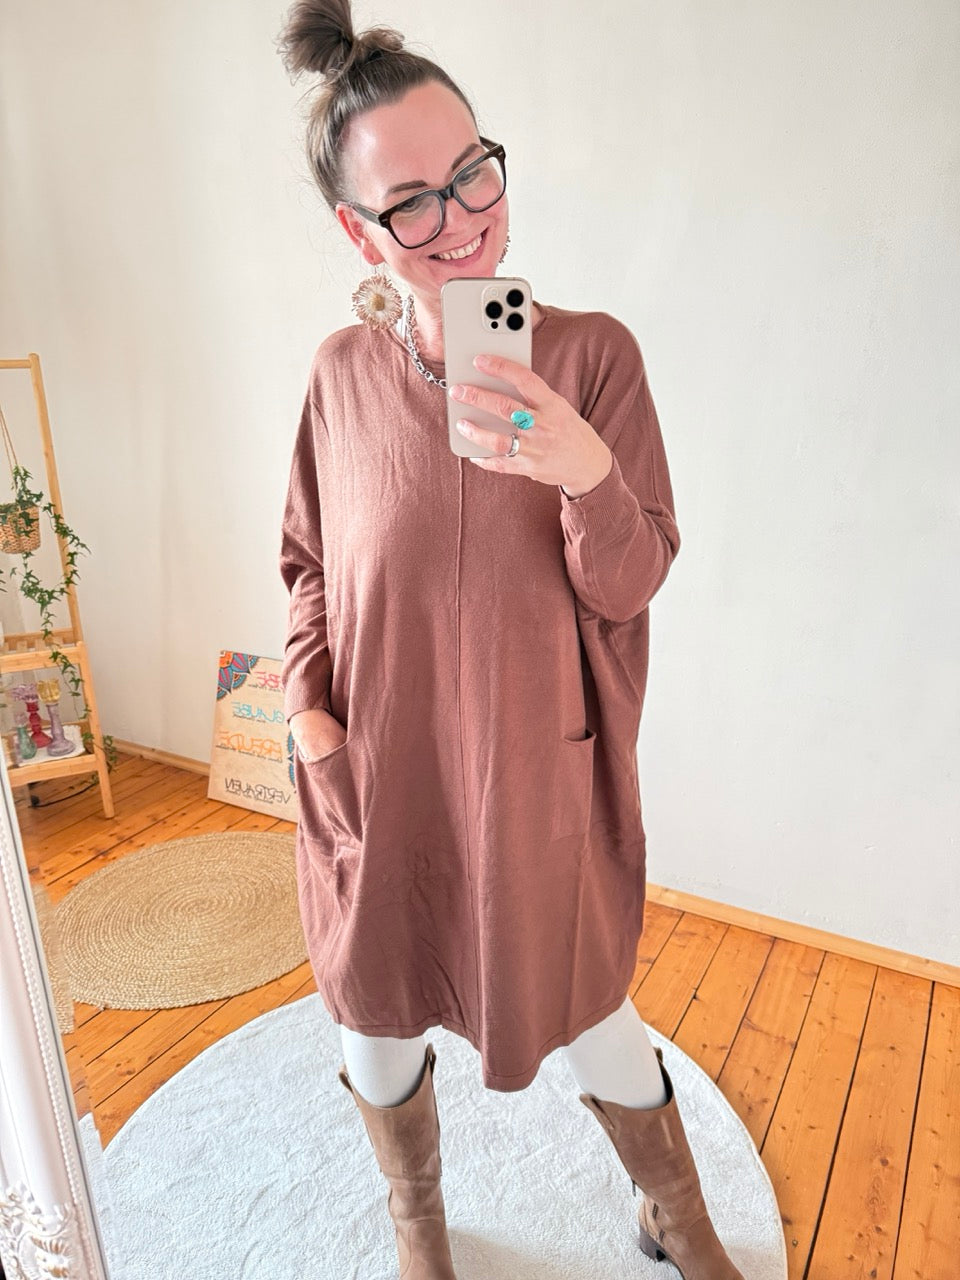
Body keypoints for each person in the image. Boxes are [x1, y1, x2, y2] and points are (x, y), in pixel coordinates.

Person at [276, 3, 744, 1277]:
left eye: (473, 171)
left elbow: (629, 584)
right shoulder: (339, 377)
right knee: (377, 1008)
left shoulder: (592, 359)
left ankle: (677, 1212)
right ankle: (418, 1223)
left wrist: (584, 466)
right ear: (358, 231)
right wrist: (310, 714)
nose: (461, 217)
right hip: (379, 771)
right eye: (412, 201)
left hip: (541, 768)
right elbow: (307, 561)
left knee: (589, 1007)